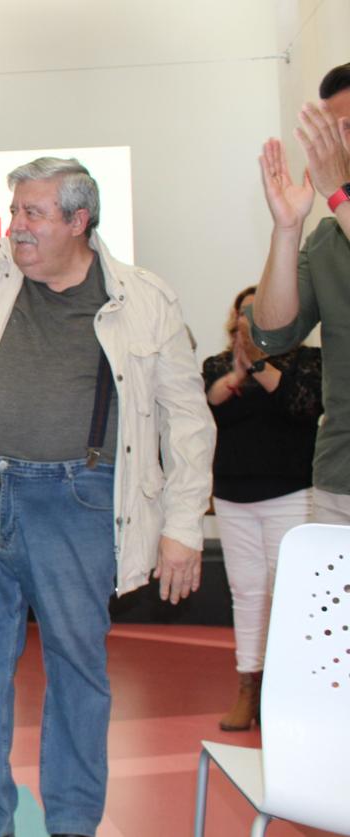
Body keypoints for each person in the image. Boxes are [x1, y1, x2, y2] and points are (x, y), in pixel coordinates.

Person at [0, 93, 214, 837]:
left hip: (77, 504)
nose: (14, 225)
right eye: (14, 210)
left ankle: (75, 820)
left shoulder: (144, 300)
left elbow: (187, 421)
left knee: (78, 672)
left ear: (78, 222)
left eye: (33, 214)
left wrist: (183, 527)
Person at [202, 285, 322, 730]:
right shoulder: (217, 366)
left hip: (291, 495)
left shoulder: (308, 362)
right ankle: (248, 687)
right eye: (243, 317)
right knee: (247, 593)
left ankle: (292, 692)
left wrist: (257, 365)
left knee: (290, 596)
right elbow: (214, 405)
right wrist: (237, 372)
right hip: (233, 497)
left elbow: (302, 406)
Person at [252, 61, 350, 523]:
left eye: (346, 129)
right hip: (340, 477)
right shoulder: (328, 237)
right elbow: (273, 335)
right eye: (330, 132)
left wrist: (336, 195)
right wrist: (288, 228)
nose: (334, 146)